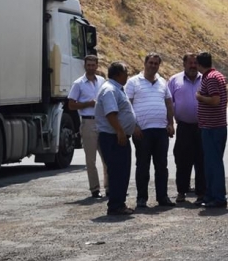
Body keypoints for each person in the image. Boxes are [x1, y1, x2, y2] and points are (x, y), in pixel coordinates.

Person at [126, 52, 176, 208]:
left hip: (161, 131)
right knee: (142, 166)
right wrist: (133, 126)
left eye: (156, 63)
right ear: (145, 63)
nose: (153, 66)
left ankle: (163, 197)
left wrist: (170, 123)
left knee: (162, 166)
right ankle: (141, 198)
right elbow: (127, 106)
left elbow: (168, 103)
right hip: (142, 132)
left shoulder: (162, 82)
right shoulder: (133, 82)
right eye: (151, 63)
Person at [95, 61, 140, 216]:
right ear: (118, 74)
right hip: (113, 137)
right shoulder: (109, 90)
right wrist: (120, 131)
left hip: (118, 136)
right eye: (126, 72)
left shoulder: (117, 89)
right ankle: (115, 206)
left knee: (122, 171)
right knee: (117, 172)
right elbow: (110, 113)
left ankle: (119, 203)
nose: (128, 74)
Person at [67, 54, 107, 199]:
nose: (91, 68)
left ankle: (109, 187)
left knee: (107, 156)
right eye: (88, 65)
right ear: (85, 66)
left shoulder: (102, 81)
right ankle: (95, 189)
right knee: (91, 159)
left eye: (93, 65)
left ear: (97, 66)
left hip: (102, 121)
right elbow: (71, 104)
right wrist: (87, 104)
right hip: (88, 121)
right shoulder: (78, 83)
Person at [167, 52, 205, 203]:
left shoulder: (205, 79)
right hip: (183, 127)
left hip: (202, 127)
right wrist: (169, 123)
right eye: (190, 63)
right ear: (184, 64)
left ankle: (201, 193)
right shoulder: (174, 80)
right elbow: (168, 103)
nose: (193, 66)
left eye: (195, 63)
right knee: (182, 160)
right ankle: (182, 191)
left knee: (201, 160)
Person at [195, 51, 228, 208]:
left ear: (199, 64)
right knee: (210, 163)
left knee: (214, 163)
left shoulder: (211, 78)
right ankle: (210, 195)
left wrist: (200, 97)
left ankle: (218, 197)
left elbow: (215, 100)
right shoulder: (216, 75)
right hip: (214, 126)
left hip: (213, 127)